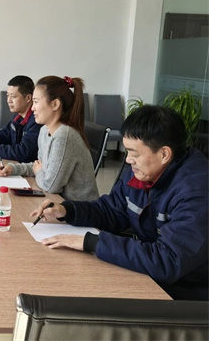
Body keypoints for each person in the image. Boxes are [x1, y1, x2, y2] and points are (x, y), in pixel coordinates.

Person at [31, 105, 208, 301]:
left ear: (164, 154)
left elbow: (169, 260)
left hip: (188, 294)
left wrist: (91, 242)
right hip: (151, 275)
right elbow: (112, 210)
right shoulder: (145, 171)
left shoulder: (197, 191)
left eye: (134, 153)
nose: (128, 160)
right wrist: (67, 211)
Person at [0, 75, 98, 201]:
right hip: (57, 203)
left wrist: (39, 171)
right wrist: (13, 168)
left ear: (55, 104)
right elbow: (38, 166)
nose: (32, 107)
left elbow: (50, 186)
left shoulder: (64, 136)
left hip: (78, 209)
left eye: (36, 101)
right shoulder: (44, 130)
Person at [0, 75, 41, 162]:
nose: (8, 100)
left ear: (28, 98)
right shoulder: (17, 116)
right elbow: (4, 134)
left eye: (13, 96)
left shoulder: (37, 121)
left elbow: (23, 152)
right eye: (7, 95)